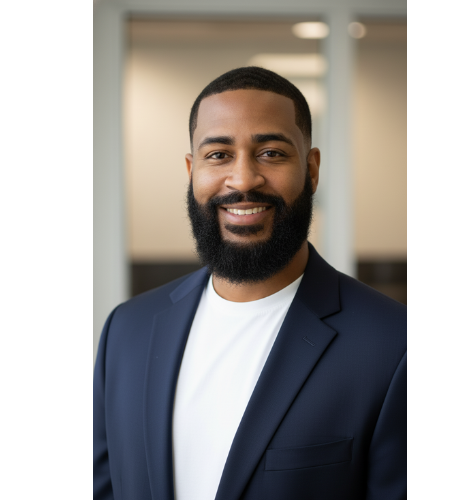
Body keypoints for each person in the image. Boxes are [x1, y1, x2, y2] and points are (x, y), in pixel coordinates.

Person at [93, 67, 407, 500]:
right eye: (218, 154)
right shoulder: (126, 330)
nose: (242, 180)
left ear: (311, 170)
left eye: (272, 153)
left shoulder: (392, 344)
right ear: (191, 171)